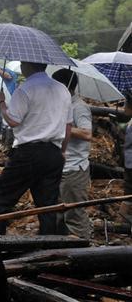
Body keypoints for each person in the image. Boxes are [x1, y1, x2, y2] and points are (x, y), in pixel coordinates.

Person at [0, 61, 73, 235]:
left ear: (26, 66)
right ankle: (51, 247)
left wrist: (1, 103)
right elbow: (68, 126)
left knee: (0, 199)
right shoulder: (62, 89)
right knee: (48, 205)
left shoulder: (25, 89)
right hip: (53, 152)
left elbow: (13, 121)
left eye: (22, 63)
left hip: (28, 153)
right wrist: (63, 151)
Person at [52, 69, 93, 239]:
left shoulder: (80, 107)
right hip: (61, 165)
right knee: (58, 212)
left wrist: (64, 125)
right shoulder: (63, 105)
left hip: (75, 167)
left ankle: (84, 251)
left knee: (74, 213)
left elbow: (87, 134)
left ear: (65, 86)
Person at [118, 90, 132, 223]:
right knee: (128, 192)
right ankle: (120, 220)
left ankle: (121, 220)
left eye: (125, 105)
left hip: (130, 163)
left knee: (128, 192)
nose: (123, 108)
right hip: (129, 162)